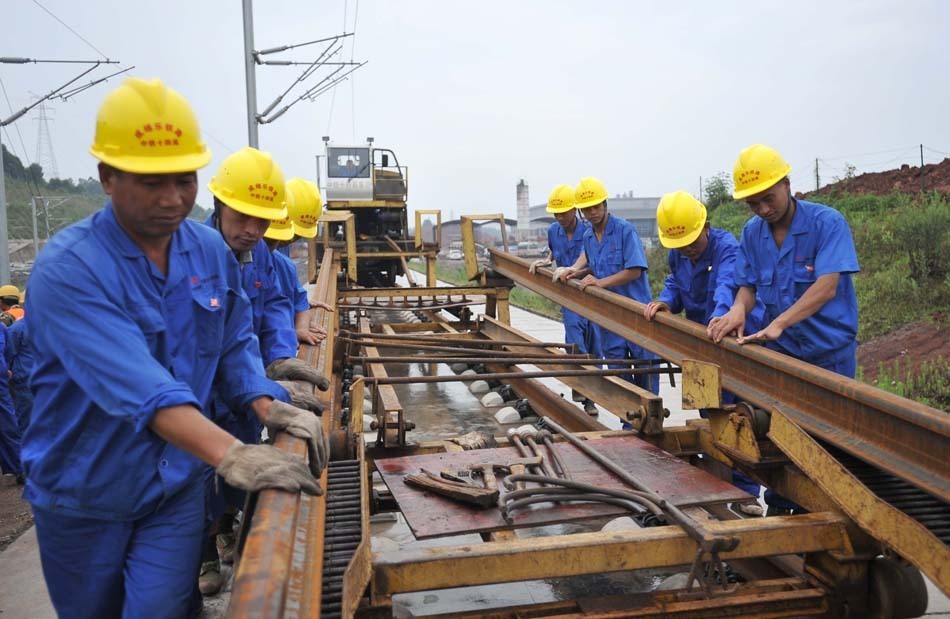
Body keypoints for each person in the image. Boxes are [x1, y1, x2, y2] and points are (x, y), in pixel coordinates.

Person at [22, 77, 328, 619]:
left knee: (163, 609)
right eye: (150, 182)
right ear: (107, 178)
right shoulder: (70, 270)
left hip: (175, 485)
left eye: (183, 180)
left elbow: (233, 341)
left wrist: (266, 401)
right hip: (86, 493)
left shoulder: (208, 251)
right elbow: (140, 386)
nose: (171, 199)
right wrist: (232, 454)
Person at [200, 147, 329, 594]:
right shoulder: (195, 258)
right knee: (196, 485)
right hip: (193, 404)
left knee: (230, 480)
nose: (255, 231)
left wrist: (275, 373)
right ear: (218, 205)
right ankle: (204, 554)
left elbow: (247, 332)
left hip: (238, 390)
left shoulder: (255, 259)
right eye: (244, 217)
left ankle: (226, 525)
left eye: (262, 221)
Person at [707, 144, 860, 515]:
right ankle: (779, 506)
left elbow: (827, 285)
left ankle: (826, 515)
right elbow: (747, 285)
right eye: (753, 204)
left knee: (828, 447)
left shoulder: (827, 224)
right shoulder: (752, 233)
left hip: (829, 356)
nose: (763, 209)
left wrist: (778, 322)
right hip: (784, 355)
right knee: (782, 440)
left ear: (787, 184)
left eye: (768, 199)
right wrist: (738, 310)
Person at [644, 190, 766, 515]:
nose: (687, 249)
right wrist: (666, 301)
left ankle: (746, 492)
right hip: (698, 343)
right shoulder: (679, 253)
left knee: (736, 416)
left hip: (730, 342)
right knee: (706, 414)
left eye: (692, 242)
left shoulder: (727, 249)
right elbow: (676, 283)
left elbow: (729, 283)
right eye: (680, 245)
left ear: (706, 226)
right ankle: (715, 479)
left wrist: (722, 314)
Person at [558, 177, 659, 395]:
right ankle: (627, 422)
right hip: (610, 319)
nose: (592, 212)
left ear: (605, 204)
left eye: (595, 207)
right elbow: (597, 266)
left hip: (637, 314)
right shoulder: (588, 236)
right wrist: (577, 272)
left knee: (646, 370)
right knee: (618, 373)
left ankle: (652, 424)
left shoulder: (625, 230)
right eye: (586, 209)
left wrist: (600, 283)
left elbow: (635, 269)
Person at [530, 183, 600, 415]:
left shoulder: (588, 232)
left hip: (590, 294)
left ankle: (596, 393)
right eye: (556, 213)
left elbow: (591, 261)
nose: (560, 217)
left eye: (564, 212)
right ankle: (580, 388)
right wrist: (546, 261)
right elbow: (554, 251)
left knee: (595, 343)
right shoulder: (553, 231)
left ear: (574, 211)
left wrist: (572, 271)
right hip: (568, 296)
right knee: (574, 338)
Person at [263, 177, 333, 346]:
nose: (291, 240)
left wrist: (298, 321)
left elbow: (294, 297)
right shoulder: (250, 255)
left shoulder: (283, 262)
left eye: (297, 236)